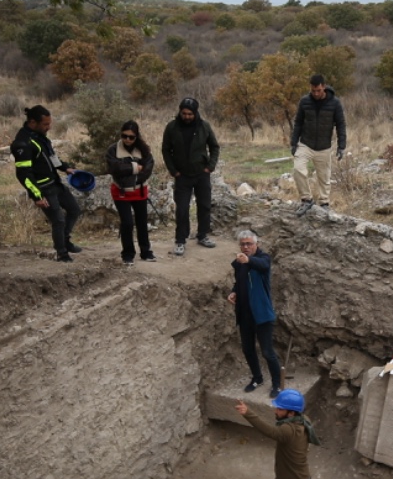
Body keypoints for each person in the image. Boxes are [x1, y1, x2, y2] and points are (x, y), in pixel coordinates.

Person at [11, 104, 81, 262]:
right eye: (45, 124)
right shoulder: (22, 143)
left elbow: (51, 157)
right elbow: (23, 174)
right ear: (33, 122)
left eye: (49, 124)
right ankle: (62, 254)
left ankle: (65, 241)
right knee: (58, 220)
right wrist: (37, 196)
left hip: (55, 183)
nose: (49, 127)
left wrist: (66, 168)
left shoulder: (40, 136)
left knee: (74, 210)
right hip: (43, 189)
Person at [160, 97, 220, 256]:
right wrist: (173, 171)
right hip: (182, 176)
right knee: (182, 209)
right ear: (180, 112)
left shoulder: (204, 126)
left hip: (202, 174)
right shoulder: (172, 127)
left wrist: (210, 167)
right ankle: (180, 240)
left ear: (195, 113)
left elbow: (214, 147)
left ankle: (203, 235)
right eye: (184, 113)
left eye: (190, 114)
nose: (186, 116)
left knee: (205, 206)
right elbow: (165, 150)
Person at [226, 229, 282, 396]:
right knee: (248, 349)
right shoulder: (239, 263)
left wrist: (248, 260)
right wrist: (234, 291)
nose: (245, 247)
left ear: (256, 244)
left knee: (267, 352)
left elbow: (262, 265)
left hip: (262, 315)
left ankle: (277, 384)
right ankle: (257, 377)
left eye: (249, 244)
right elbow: (239, 282)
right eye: (242, 244)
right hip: (244, 314)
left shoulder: (263, 259)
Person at [289, 74, 347, 215]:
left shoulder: (335, 103)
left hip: (324, 146)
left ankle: (324, 203)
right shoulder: (304, 101)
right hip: (305, 143)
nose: (315, 93)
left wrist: (341, 146)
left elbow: (341, 125)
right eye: (313, 90)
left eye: (318, 90)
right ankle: (306, 200)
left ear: (324, 87)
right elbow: (298, 123)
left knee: (324, 177)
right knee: (298, 169)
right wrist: (294, 142)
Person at [105, 120, 156, 266]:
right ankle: (127, 254)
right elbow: (114, 169)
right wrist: (135, 168)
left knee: (142, 222)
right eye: (124, 136)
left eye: (131, 137)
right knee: (127, 223)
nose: (127, 139)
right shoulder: (113, 149)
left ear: (136, 137)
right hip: (120, 192)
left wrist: (131, 177)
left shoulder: (144, 150)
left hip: (139, 191)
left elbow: (148, 169)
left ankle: (146, 252)